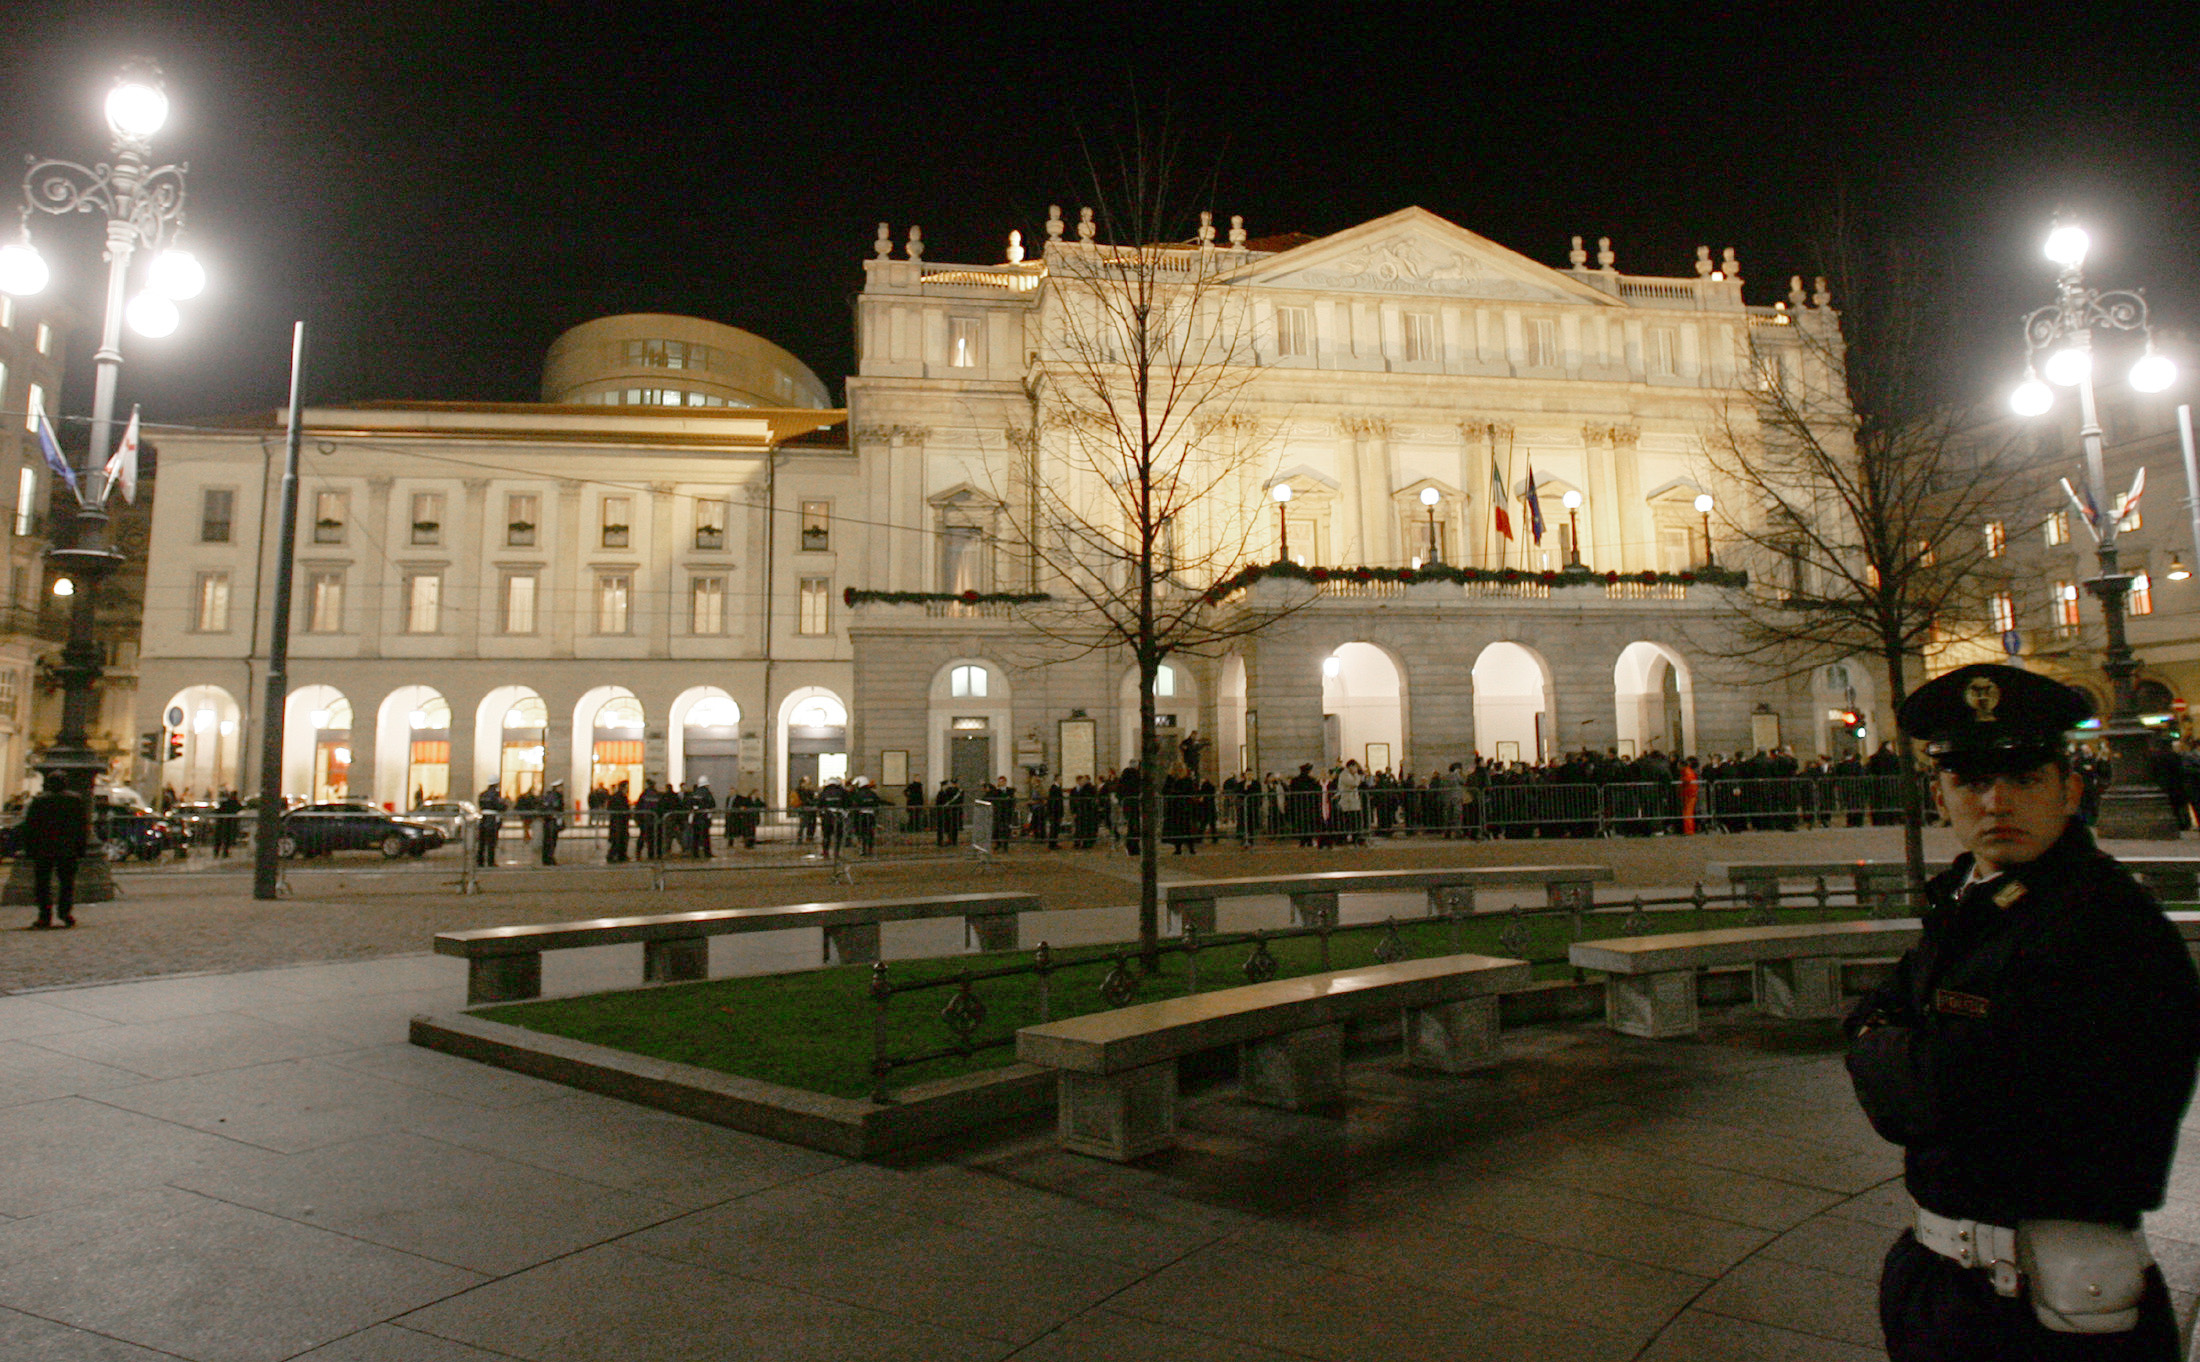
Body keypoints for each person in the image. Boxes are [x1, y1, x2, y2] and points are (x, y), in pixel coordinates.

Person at [1846, 663, 2200, 1360]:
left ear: (2069, 790)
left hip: (2051, 1317)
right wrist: (1895, 1042)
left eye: (2023, 778)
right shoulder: (1972, 901)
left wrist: (1886, 1045)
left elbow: (1941, 1096)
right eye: (1971, 781)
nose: (1995, 801)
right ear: (1941, 794)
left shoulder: (2104, 926)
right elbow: (1886, 1027)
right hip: (1948, 1283)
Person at [22, 773, 88, 928]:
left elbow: (31, 826)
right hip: (67, 848)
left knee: (42, 884)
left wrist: (30, 848)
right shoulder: (75, 800)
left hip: (44, 848)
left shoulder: (40, 801)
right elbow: (81, 826)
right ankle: (65, 913)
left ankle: (44, 915)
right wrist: (80, 847)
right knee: (66, 883)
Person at [475, 783, 505, 867]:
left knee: (482, 842)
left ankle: (480, 861)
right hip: (492, 819)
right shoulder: (495, 795)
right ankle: (490, 861)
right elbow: (500, 806)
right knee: (491, 842)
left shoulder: (482, 794)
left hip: (483, 818)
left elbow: (480, 805)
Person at [605, 779, 631, 862]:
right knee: (618, 839)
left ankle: (621, 855)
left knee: (621, 838)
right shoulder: (619, 797)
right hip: (618, 821)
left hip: (620, 821)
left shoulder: (618, 796)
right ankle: (613, 855)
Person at [538, 782, 564, 865]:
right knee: (550, 840)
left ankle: (548, 858)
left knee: (550, 840)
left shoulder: (555, 795)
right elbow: (554, 807)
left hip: (551, 820)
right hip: (551, 821)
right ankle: (548, 858)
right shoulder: (553, 796)